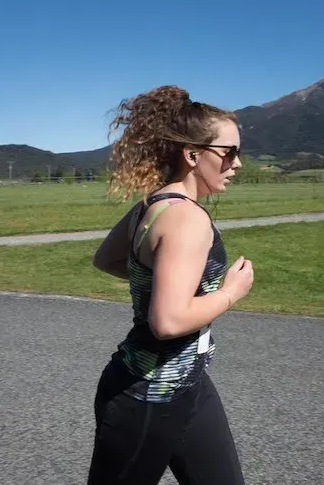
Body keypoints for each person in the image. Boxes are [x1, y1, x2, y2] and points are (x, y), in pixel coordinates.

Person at [88, 86, 254, 484]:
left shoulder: (152, 204)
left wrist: (165, 282)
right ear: (193, 155)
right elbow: (168, 321)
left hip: (188, 383)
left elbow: (107, 259)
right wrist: (230, 293)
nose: (238, 163)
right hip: (145, 395)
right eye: (228, 152)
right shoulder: (187, 220)